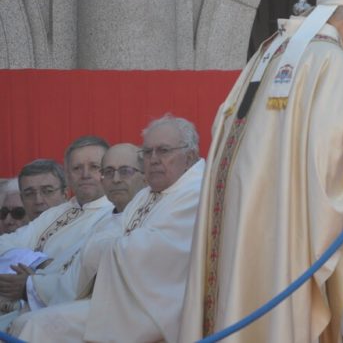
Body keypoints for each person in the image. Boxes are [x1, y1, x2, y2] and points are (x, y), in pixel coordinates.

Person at [180, 0, 343, 343]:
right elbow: (330, 154)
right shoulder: (328, 57)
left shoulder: (270, 48)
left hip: (237, 207)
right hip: (281, 216)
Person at [12, 115, 206, 342]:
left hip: (154, 308)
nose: (153, 159)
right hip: (120, 300)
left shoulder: (195, 193)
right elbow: (116, 237)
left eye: (163, 151)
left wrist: (100, 247)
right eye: (147, 152)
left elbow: (149, 253)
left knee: (36, 327)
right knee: (24, 323)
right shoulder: (147, 194)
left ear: (190, 156)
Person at [0, 136, 113, 328]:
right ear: (68, 175)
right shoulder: (55, 213)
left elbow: (81, 277)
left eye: (94, 166)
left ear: (108, 171)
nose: (85, 174)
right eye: (77, 168)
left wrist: (31, 284)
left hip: (70, 317)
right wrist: (39, 262)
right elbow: (4, 243)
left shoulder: (115, 215)